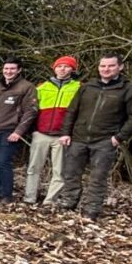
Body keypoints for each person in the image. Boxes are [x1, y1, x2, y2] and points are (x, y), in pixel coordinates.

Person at [55, 53, 132, 221]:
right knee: (71, 173)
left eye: (111, 66)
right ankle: (68, 202)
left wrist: (119, 137)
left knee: (98, 177)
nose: (106, 69)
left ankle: (91, 210)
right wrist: (65, 132)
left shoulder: (129, 90)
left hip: (105, 140)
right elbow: (72, 110)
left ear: (120, 67)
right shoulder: (87, 87)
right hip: (78, 138)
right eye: (103, 66)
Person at [25, 55, 81, 207]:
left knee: (59, 171)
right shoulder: (42, 87)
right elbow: (32, 110)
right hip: (41, 133)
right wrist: (33, 130)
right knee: (33, 168)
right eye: (59, 66)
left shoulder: (78, 88)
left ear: (72, 69)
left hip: (62, 136)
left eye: (66, 66)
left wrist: (70, 133)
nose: (62, 69)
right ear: (54, 68)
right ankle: (29, 197)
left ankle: (50, 200)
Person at [0, 57, 39, 203]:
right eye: (6, 69)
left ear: (19, 70)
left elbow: (31, 111)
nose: (8, 71)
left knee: (4, 162)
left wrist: (19, 131)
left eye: (12, 69)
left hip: (10, 131)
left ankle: (6, 194)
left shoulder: (26, 87)